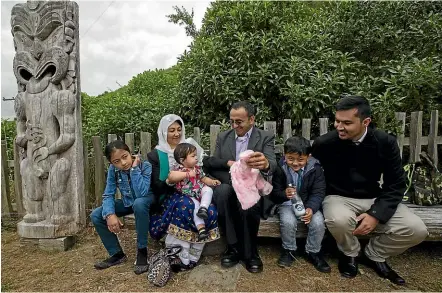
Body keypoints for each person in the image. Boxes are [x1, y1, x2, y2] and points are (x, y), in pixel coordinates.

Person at [311, 95, 428, 285]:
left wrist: (375, 214)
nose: (339, 127)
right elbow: (311, 176)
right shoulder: (325, 143)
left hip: (374, 197)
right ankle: (350, 253)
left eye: (346, 122)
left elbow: (396, 184)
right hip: (338, 197)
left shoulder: (385, 142)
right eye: (337, 121)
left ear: (365, 122)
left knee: (417, 229)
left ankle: (374, 254)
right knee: (338, 219)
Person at [203, 101, 277, 273]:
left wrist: (265, 164)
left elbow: (272, 163)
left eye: (239, 122)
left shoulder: (265, 137)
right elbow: (216, 165)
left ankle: (251, 253)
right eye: (232, 121)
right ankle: (233, 247)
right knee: (222, 192)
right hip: (229, 184)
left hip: (253, 186)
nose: (235, 125)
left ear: (251, 119)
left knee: (249, 201)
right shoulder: (223, 137)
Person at [148, 114, 220, 271]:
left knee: (210, 210)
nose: (176, 134)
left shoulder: (189, 148)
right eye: (171, 130)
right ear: (163, 132)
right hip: (171, 194)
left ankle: (194, 255)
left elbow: (203, 170)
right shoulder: (156, 154)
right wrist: (181, 177)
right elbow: (157, 185)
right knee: (185, 206)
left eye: (179, 129)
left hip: (195, 191)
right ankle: (179, 256)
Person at [90, 140, 154, 275]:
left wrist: (135, 169)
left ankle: (142, 251)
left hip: (146, 202)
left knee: (139, 203)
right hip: (128, 202)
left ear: (130, 153)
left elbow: (141, 193)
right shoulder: (114, 171)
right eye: (116, 161)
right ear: (112, 163)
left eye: (125, 157)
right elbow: (108, 194)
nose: (123, 163)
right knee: (96, 214)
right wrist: (109, 214)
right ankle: (117, 254)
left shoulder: (145, 166)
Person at [269, 136, 330, 273]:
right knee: (288, 221)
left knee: (318, 222)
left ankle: (313, 251)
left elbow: (318, 192)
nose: (295, 163)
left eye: (300, 159)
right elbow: (274, 193)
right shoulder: (280, 168)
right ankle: (289, 250)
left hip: (308, 203)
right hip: (286, 204)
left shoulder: (316, 169)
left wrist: (311, 208)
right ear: (285, 156)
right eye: (291, 159)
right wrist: (284, 193)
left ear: (308, 157)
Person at [168, 143, 221, 241]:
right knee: (194, 206)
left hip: (199, 191)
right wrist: (186, 174)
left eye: (196, 155)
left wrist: (212, 182)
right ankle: (201, 229)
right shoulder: (179, 169)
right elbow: (171, 177)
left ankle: (204, 208)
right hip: (188, 195)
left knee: (208, 190)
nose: (196, 158)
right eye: (193, 156)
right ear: (182, 160)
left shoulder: (197, 169)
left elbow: (204, 178)